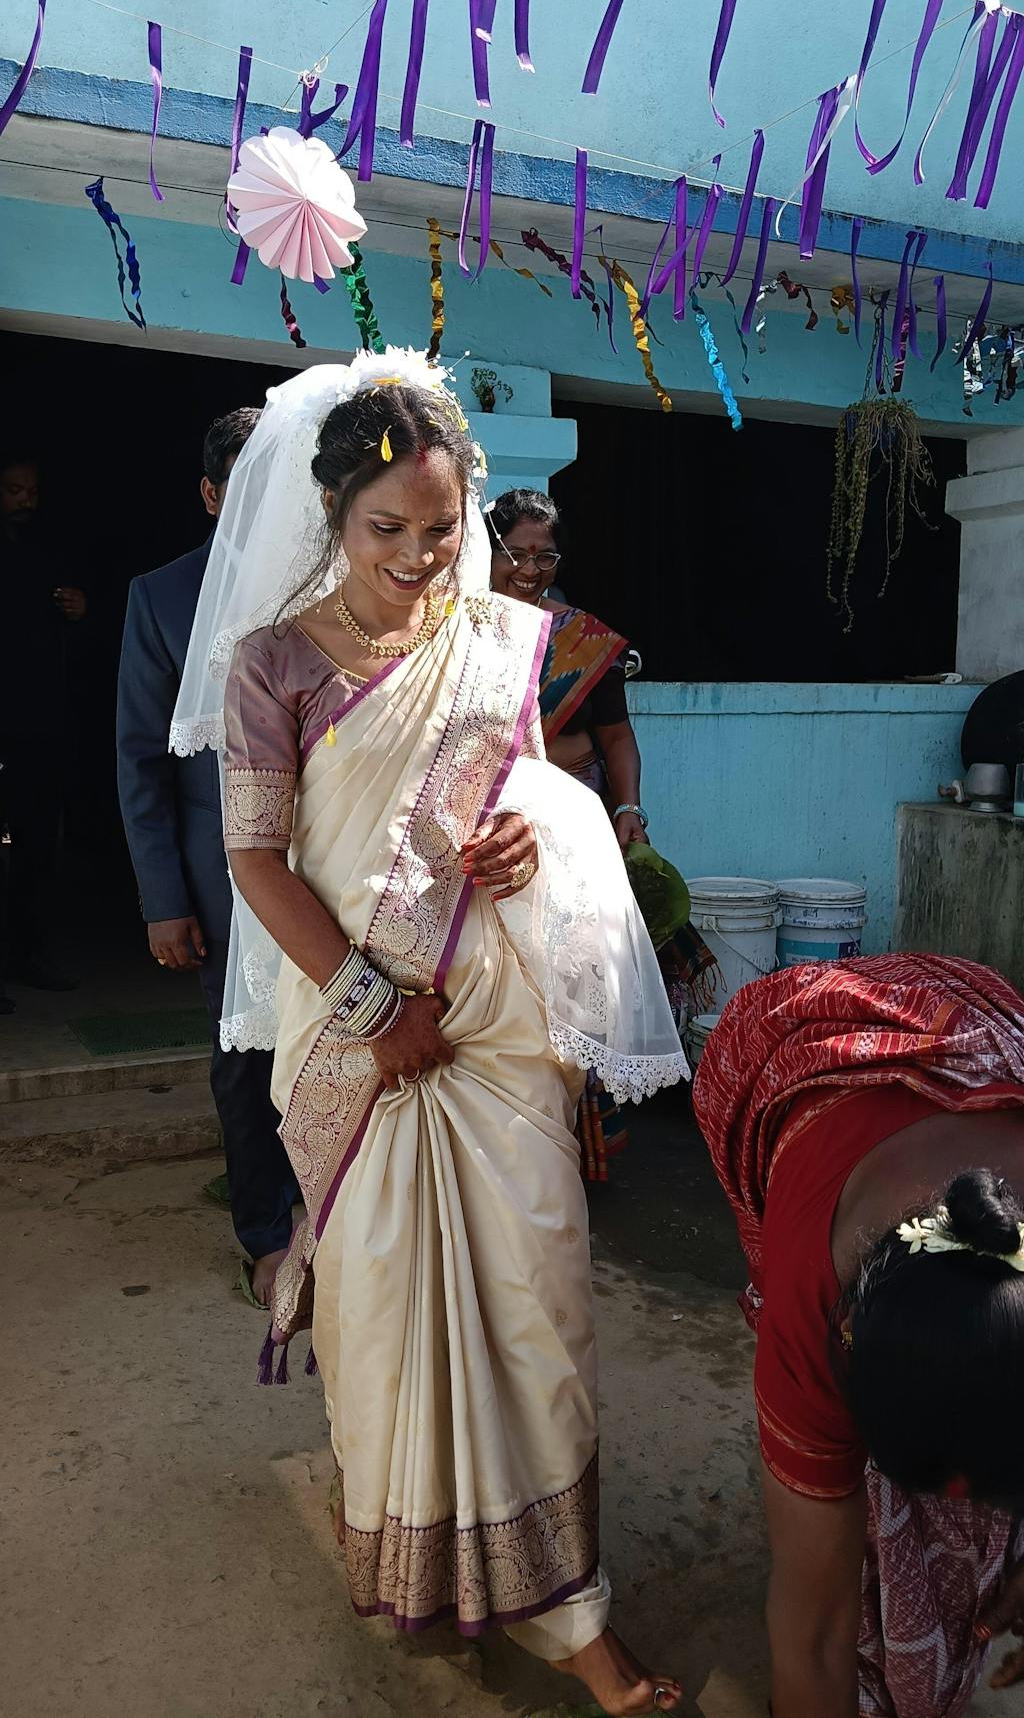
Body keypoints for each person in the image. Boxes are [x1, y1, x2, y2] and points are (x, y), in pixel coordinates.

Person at [169, 350, 687, 1715]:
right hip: (364, 1038)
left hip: (494, 1033)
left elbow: (537, 805)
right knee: (391, 1319)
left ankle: (568, 1605)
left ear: (474, 512)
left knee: (540, 1302)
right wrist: (370, 1005)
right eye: (386, 531)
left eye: (441, 529)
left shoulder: (496, 643)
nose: (418, 556)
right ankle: (436, 1574)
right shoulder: (272, 664)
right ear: (332, 521)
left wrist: (532, 835)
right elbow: (260, 863)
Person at [692, 952, 1024, 1718]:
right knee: (823, 1537)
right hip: (792, 1050)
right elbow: (812, 1632)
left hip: (973, 1025)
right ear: (846, 1335)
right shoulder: (806, 1308)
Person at [117, 410, 298, 1306]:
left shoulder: (334, 580)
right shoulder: (160, 597)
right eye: (247, 483)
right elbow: (142, 759)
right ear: (211, 493)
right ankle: (267, 1234)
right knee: (245, 1057)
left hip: (326, 859)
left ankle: (336, 1221)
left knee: (337, 1035)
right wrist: (163, 899)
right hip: (218, 876)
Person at [488, 489, 715, 1180]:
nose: (530, 568)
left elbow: (616, 739)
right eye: (516, 552)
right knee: (501, 984)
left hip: (570, 826)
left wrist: (627, 812)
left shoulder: (581, 641)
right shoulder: (456, 630)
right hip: (487, 829)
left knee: (572, 987)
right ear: (487, 548)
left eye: (545, 555)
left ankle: (574, 1150)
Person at [0, 455, 88, 1000]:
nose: (24, 500)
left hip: (39, 724)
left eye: (31, 491)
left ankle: (28, 954)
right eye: (13, 490)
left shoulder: (48, 551)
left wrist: (81, 612)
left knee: (35, 850)